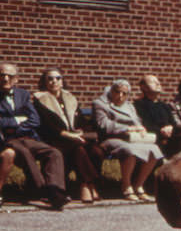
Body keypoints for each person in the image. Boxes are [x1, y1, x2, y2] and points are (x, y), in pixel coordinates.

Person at [0, 62, 69, 209]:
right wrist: (18, 120)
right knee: (24, 153)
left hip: (28, 137)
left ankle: (55, 189)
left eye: (10, 76)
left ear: (16, 79)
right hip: (8, 140)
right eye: (2, 75)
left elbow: (34, 119)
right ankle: (44, 190)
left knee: (54, 152)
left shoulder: (23, 95)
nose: (5, 79)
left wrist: (12, 125)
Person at [33, 67, 105, 203]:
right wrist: (68, 135)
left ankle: (87, 183)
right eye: (50, 78)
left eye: (57, 78)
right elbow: (46, 126)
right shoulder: (40, 100)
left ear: (62, 81)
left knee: (97, 151)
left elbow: (82, 121)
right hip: (55, 139)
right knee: (79, 148)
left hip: (75, 139)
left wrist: (81, 131)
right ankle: (87, 184)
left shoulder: (70, 98)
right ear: (44, 81)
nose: (54, 81)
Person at [92, 79, 164, 201]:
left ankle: (139, 185)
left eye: (124, 93)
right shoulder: (100, 104)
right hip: (112, 138)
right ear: (111, 91)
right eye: (117, 92)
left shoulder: (129, 106)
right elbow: (103, 124)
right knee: (129, 150)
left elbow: (137, 121)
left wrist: (141, 128)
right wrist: (126, 129)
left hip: (132, 138)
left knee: (154, 149)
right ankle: (126, 185)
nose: (120, 96)